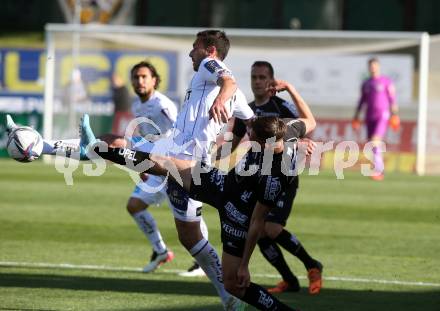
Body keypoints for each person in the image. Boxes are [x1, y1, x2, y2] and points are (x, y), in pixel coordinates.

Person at [79, 85, 316, 309]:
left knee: (233, 283)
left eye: (253, 139)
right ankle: (99, 149)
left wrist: (244, 264)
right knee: (165, 163)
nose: (248, 139)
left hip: (238, 215)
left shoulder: (275, 177)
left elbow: (257, 221)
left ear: (266, 144)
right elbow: (311, 121)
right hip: (222, 183)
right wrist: (292, 90)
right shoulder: (286, 127)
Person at [227, 61, 323, 295]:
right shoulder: (246, 112)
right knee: (258, 231)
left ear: (271, 81)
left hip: (281, 177)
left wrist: (298, 144)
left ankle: (311, 265)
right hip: (255, 176)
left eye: (262, 77)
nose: (257, 82)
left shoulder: (282, 108)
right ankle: (290, 279)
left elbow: (304, 127)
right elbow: (231, 145)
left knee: (268, 228)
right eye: (254, 77)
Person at [352, 57, 400, 181]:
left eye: (374, 66)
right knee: (372, 144)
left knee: (375, 141)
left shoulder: (386, 81)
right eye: (371, 66)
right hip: (369, 116)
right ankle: (378, 168)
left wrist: (394, 115)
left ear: (378, 66)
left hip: (382, 115)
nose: (373, 68)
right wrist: (356, 116)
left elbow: (392, 99)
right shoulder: (366, 83)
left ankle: (378, 170)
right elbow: (362, 100)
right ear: (368, 68)